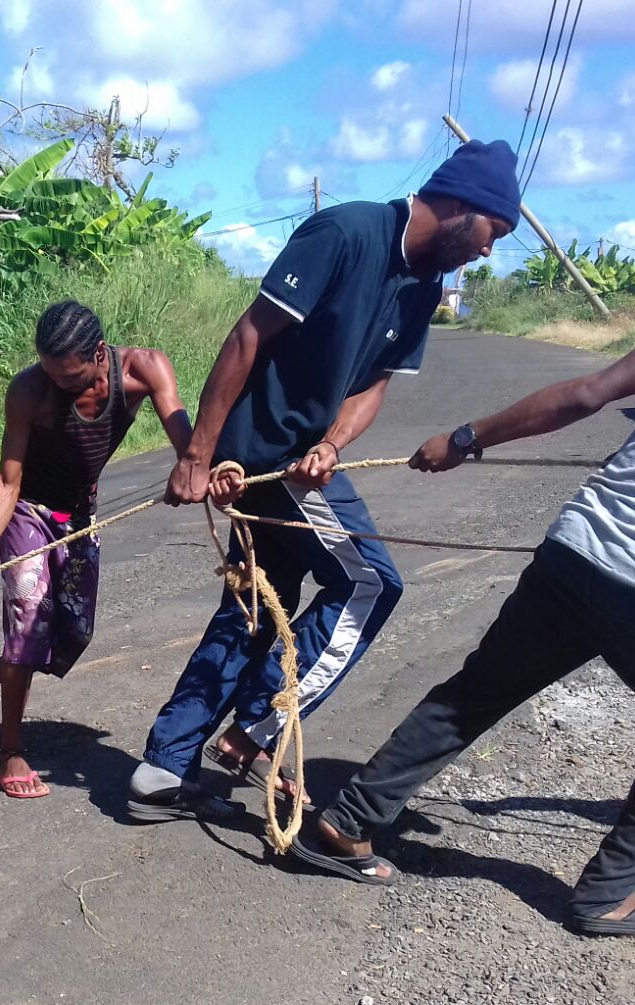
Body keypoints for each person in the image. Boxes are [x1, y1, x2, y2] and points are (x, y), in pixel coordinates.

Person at [291, 219, 635, 936]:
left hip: (576, 550)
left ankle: (346, 822)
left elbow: (586, 394)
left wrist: (465, 438)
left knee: (476, 692)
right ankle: (607, 895)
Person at [128, 140, 520, 820]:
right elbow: (249, 335)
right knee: (370, 583)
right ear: (461, 205)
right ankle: (259, 728)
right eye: (495, 231)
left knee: (254, 610)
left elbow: (372, 386)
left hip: (303, 460)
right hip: (263, 457)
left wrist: (333, 443)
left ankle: (163, 768)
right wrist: (197, 453)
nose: (489, 250)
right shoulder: (345, 231)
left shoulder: (424, 285)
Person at [0, 300, 203, 801]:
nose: (58, 384)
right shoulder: (28, 391)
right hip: (28, 511)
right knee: (29, 620)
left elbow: (186, 443)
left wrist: (197, 469)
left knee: (72, 637)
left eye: (70, 376)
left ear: (100, 354)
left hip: (79, 516)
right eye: (49, 373)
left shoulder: (146, 369)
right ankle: (10, 752)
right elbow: (7, 479)